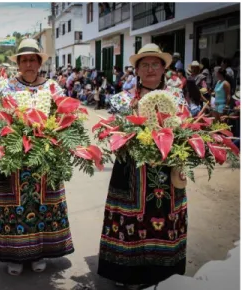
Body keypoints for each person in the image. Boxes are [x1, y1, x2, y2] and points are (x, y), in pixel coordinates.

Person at [98, 43, 188, 289]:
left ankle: (164, 273)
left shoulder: (177, 97)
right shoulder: (122, 99)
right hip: (130, 172)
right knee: (131, 220)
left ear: (164, 69)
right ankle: (128, 274)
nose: (150, 69)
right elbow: (111, 136)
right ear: (136, 70)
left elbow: (186, 129)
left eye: (155, 64)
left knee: (164, 217)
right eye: (144, 65)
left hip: (166, 171)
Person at [0, 39, 74, 276]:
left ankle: (40, 253)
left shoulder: (53, 88)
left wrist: (52, 135)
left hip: (45, 157)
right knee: (14, 206)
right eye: (24, 59)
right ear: (18, 63)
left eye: (32, 59)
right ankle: (14, 256)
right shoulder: (6, 88)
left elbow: (67, 116)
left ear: (39, 62)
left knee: (42, 206)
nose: (28, 63)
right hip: (14, 157)